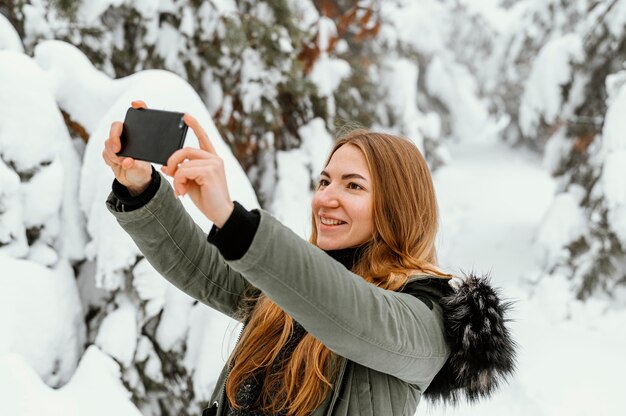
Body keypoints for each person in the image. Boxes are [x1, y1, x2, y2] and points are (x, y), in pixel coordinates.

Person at [103, 101, 516, 416]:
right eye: (324, 180)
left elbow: (348, 312)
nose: (325, 198)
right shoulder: (292, 286)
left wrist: (230, 217)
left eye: (352, 186)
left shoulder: (427, 319)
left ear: (398, 206)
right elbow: (203, 268)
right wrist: (141, 189)